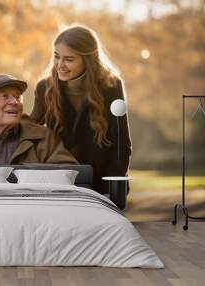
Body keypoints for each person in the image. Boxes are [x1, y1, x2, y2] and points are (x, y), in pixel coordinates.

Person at [30, 25, 132, 195]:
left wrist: (115, 186)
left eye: (69, 59)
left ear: (88, 60)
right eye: (56, 57)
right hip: (59, 181)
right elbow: (29, 131)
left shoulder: (111, 86)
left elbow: (121, 143)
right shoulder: (44, 88)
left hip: (101, 182)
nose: (60, 65)